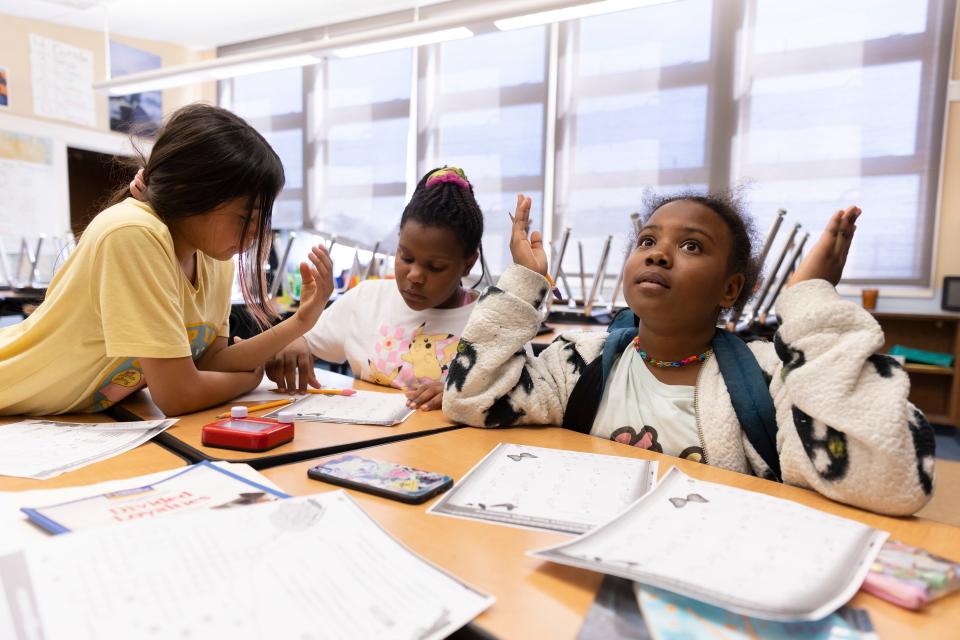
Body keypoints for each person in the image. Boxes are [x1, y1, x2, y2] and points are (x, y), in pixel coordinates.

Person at [442, 191, 935, 516]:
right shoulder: (582, 360)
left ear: (731, 289)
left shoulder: (766, 379)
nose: (658, 253)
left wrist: (810, 297)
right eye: (647, 240)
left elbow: (890, 478)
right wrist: (524, 283)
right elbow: (472, 397)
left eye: (692, 247)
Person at [0, 104, 333, 416]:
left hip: (62, 416)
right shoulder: (133, 233)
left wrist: (299, 323)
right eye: (246, 216)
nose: (256, 234)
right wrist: (250, 379)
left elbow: (208, 361)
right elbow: (178, 394)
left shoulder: (215, 258)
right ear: (191, 191)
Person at [270, 166, 484, 412]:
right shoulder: (367, 298)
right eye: (405, 257)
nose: (414, 275)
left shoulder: (491, 322)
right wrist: (296, 342)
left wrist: (462, 396)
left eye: (435, 267)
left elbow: (525, 396)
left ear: (468, 263)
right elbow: (305, 340)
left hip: (444, 447)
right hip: (367, 443)